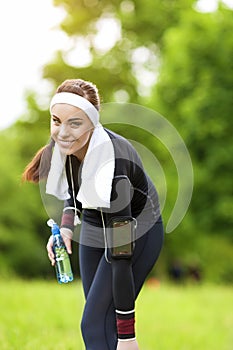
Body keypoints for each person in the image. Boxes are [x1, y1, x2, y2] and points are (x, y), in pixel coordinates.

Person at [22, 78, 164, 350]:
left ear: (92, 122)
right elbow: (74, 193)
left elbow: (121, 256)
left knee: (94, 324)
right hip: (93, 224)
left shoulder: (115, 165)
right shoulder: (67, 147)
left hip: (137, 231)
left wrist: (127, 336)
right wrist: (64, 229)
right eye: (56, 121)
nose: (62, 132)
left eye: (74, 123)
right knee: (98, 322)